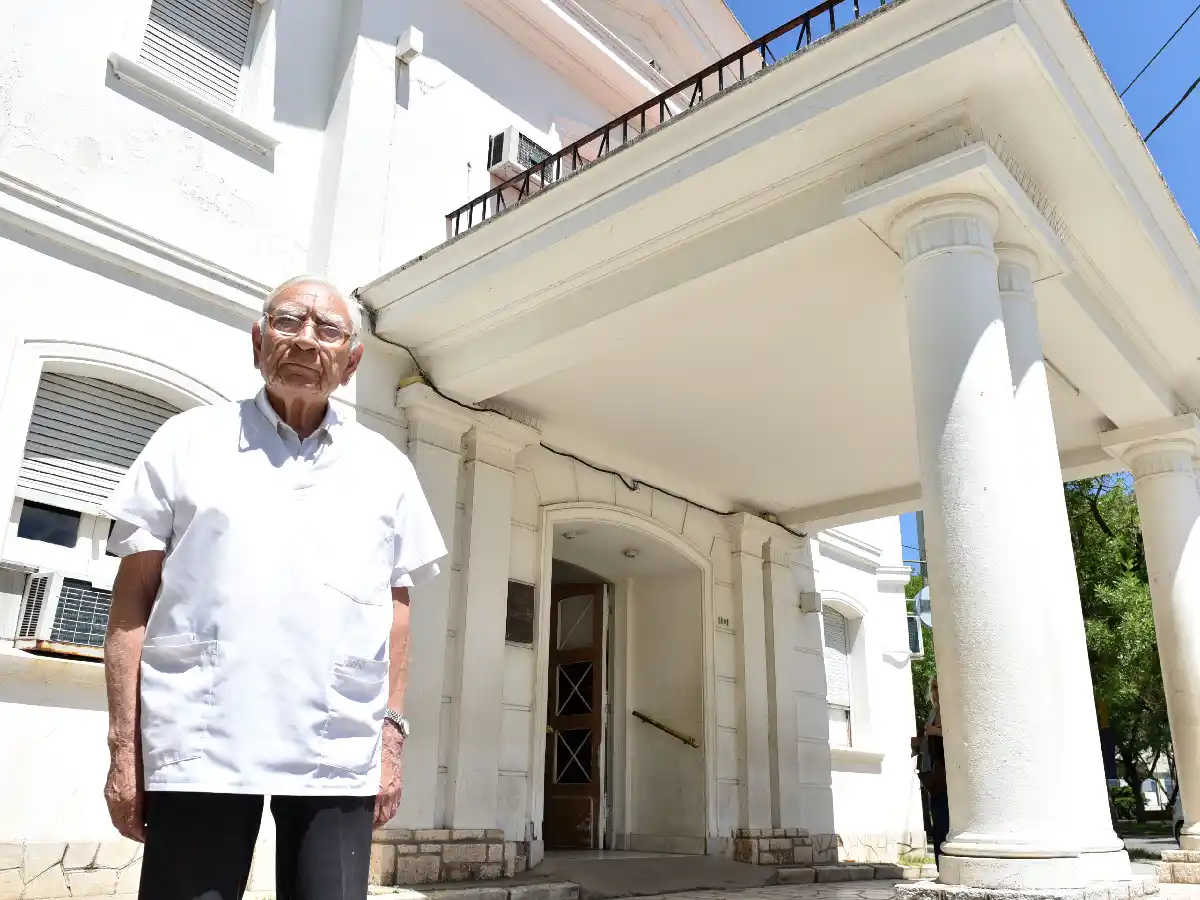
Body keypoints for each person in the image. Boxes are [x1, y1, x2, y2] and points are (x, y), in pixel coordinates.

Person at [101, 275, 447, 900]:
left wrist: (390, 737)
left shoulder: (386, 468)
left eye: (329, 330)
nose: (307, 341)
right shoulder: (185, 442)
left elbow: (397, 614)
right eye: (288, 322)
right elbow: (132, 604)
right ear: (258, 341)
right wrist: (125, 747)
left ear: (353, 361)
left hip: (335, 740)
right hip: (201, 732)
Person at [914, 675, 949, 866]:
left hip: (944, 771)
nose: (937, 691)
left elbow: (953, 733)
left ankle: (945, 861)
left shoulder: (949, 710)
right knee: (937, 819)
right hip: (932, 771)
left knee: (943, 818)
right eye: (934, 687)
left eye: (939, 686)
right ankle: (940, 864)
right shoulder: (934, 711)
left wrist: (935, 731)